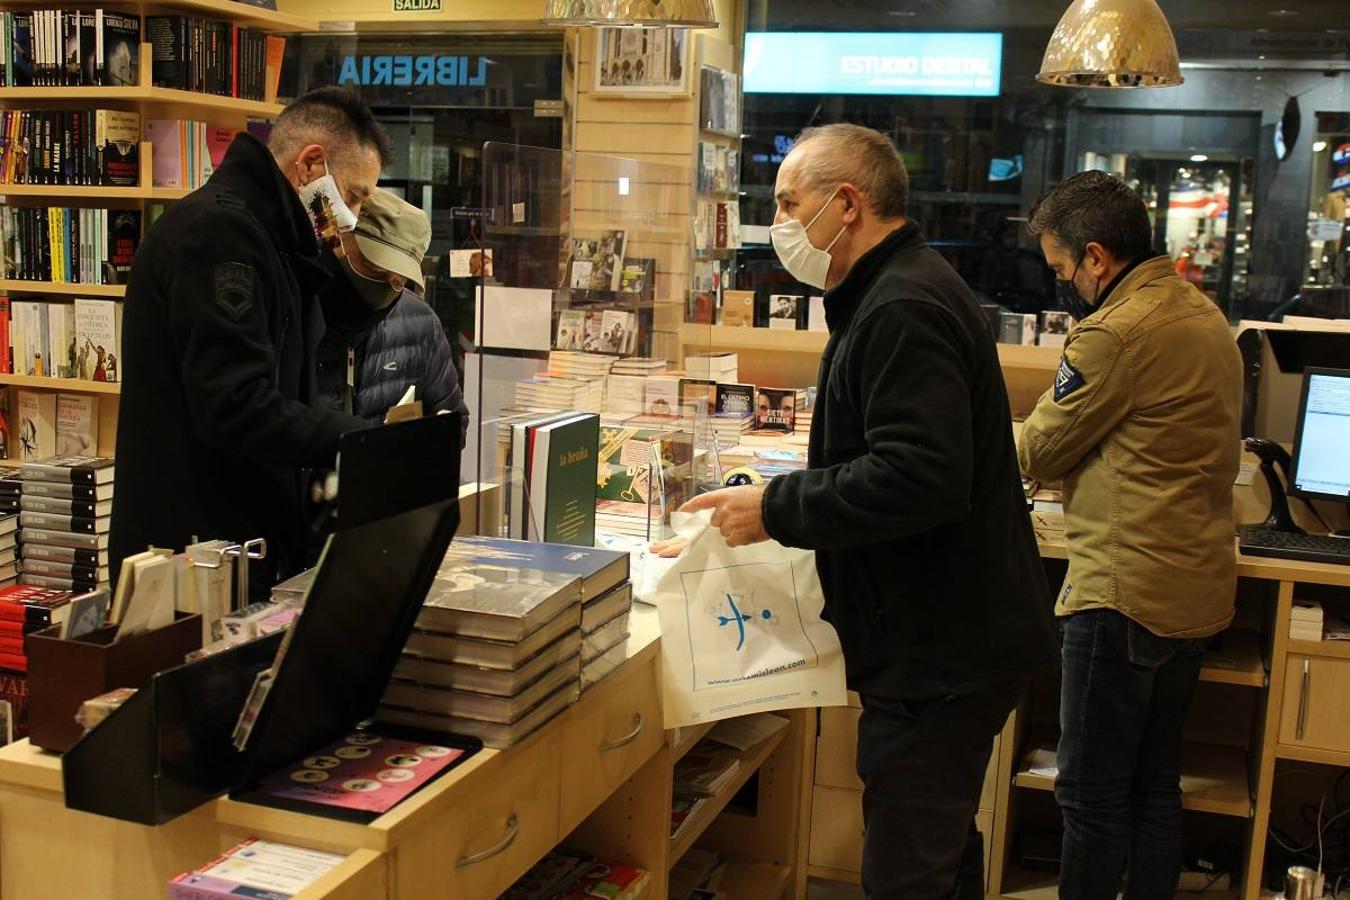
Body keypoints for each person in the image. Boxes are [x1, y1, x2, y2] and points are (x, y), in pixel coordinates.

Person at [656, 123, 1058, 899]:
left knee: (907, 871)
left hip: (941, 653)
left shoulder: (903, 303)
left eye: (787, 203)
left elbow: (921, 474)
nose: (776, 224)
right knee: (937, 850)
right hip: (940, 643)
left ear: (846, 204)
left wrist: (776, 508)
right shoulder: (891, 289)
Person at [1017, 171, 1242, 900]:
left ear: (1095, 257)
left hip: (1123, 591)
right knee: (1153, 783)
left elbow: (1041, 451)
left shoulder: (1115, 332)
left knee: (1089, 793)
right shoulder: (1206, 316)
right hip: (1194, 586)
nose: (1065, 287)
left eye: (1062, 271)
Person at [109, 87, 389, 599]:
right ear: (310, 164)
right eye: (352, 195)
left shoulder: (272, 240)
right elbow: (234, 404)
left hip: (232, 546)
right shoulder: (221, 236)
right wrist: (364, 439)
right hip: (193, 560)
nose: (349, 215)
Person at [314, 188, 468, 431]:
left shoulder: (421, 322)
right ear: (342, 241)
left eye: (400, 277)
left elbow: (453, 419)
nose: (387, 282)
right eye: (374, 265)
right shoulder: (302, 309)